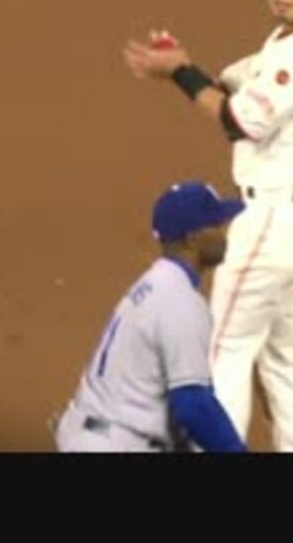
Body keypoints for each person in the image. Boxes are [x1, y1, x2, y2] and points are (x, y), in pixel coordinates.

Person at [122, 0, 293, 452]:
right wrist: (182, 68)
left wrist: (179, 71)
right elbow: (231, 87)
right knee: (278, 352)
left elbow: (238, 122)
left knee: (225, 349)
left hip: (276, 225)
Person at [53, 181, 249, 453]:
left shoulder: (155, 284)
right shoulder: (181, 303)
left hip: (96, 433)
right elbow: (193, 406)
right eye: (216, 225)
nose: (225, 232)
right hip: (116, 442)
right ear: (192, 239)